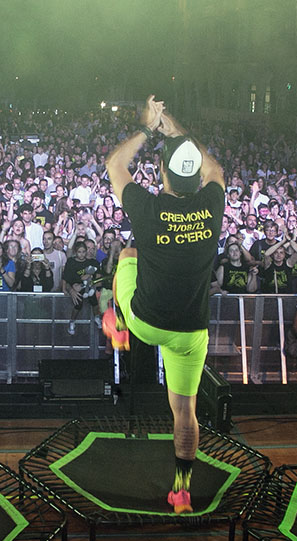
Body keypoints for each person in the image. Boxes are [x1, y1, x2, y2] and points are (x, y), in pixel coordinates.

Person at [105, 96, 225, 514]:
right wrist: (176, 130)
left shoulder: (150, 208)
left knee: (127, 255)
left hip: (146, 321)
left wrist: (147, 127)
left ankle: (118, 324)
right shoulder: (212, 204)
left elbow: (115, 165)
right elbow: (214, 169)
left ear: (161, 173)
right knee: (185, 412)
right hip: (191, 332)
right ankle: (182, 492)